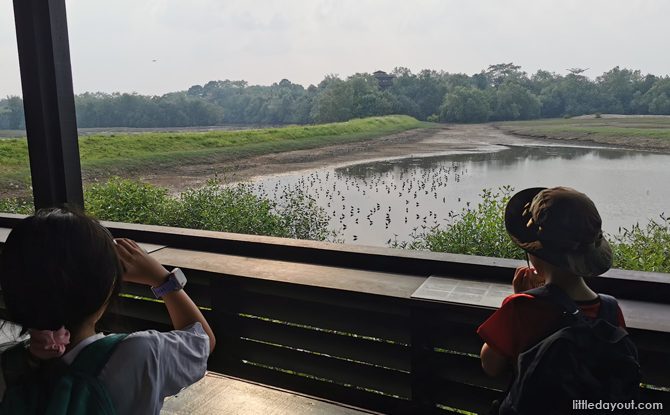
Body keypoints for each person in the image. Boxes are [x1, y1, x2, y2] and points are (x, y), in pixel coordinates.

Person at [0, 207, 215, 414]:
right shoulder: (140, 353)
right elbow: (203, 340)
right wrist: (161, 279)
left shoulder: (9, 366)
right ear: (105, 290)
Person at [477, 186, 626, 376]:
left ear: (534, 254)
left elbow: (490, 365)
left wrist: (521, 296)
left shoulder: (521, 308)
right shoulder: (611, 310)